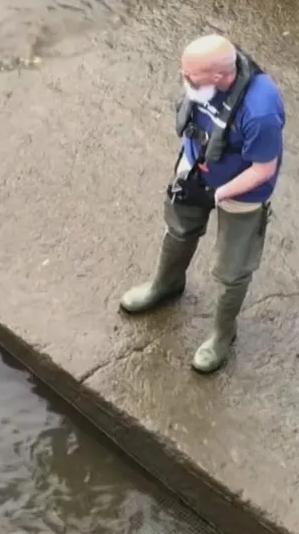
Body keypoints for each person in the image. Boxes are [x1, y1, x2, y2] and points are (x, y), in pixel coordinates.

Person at [119, 34, 286, 374]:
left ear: (219, 77)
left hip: (241, 191)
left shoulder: (260, 111)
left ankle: (223, 333)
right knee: (178, 228)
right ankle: (166, 284)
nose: (184, 79)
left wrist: (217, 194)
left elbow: (263, 169)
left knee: (232, 269)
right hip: (196, 166)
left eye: (191, 75)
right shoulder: (204, 80)